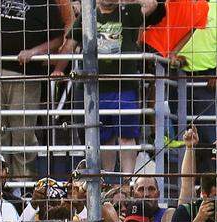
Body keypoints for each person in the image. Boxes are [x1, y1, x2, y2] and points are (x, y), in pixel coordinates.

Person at [55, 0, 162, 174]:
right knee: (104, 138)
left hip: (124, 87)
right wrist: (58, 69)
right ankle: (109, 180)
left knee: (127, 135)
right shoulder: (88, 15)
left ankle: (127, 181)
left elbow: (152, 3)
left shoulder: (129, 11)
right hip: (96, 90)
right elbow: (70, 44)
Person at [0, 0, 70, 182]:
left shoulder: (46, 3)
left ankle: (23, 185)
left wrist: (34, 52)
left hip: (25, 74)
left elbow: (58, 39)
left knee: (23, 132)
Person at [167, 0, 217, 145]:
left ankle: (212, 160)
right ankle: (184, 161)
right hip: (177, 76)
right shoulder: (175, 5)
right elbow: (165, 39)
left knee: (208, 132)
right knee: (181, 131)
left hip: (207, 80)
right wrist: (172, 56)